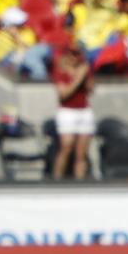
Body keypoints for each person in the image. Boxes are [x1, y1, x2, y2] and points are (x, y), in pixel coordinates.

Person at [52, 44, 95, 180]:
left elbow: (91, 89)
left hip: (84, 110)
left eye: (77, 54)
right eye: (72, 54)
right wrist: (77, 79)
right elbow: (63, 94)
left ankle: (80, 181)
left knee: (82, 153)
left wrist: (86, 76)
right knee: (66, 146)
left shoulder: (83, 70)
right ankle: (58, 179)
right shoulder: (61, 72)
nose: (75, 58)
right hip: (67, 111)